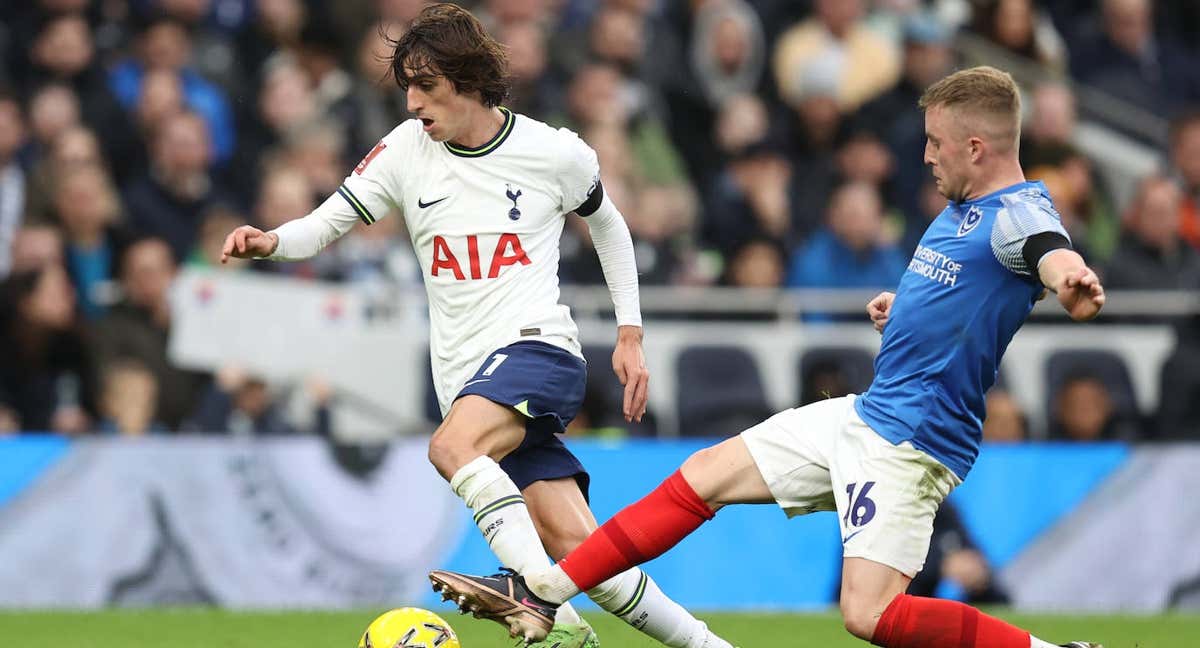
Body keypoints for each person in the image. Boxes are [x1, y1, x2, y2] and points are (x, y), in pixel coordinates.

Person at [430, 66, 1107, 648]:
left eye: (935, 143)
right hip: (867, 415)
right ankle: (545, 590)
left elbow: (1049, 251)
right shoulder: (965, 208)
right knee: (703, 475)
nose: (925, 155)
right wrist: (902, 308)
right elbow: (967, 296)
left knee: (868, 616)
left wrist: (1070, 278)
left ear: (977, 146)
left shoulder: (1019, 213)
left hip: (910, 443)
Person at [219, 5, 732, 648]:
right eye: (406, 86)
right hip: (469, 381)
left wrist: (630, 334)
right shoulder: (406, 151)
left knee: (450, 449)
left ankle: (533, 598)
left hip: (538, 351)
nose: (411, 103)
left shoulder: (554, 152)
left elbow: (610, 225)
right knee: (585, 552)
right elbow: (327, 223)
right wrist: (270, 241)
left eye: (425, 86)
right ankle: (694, 644)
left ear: (468, 81)